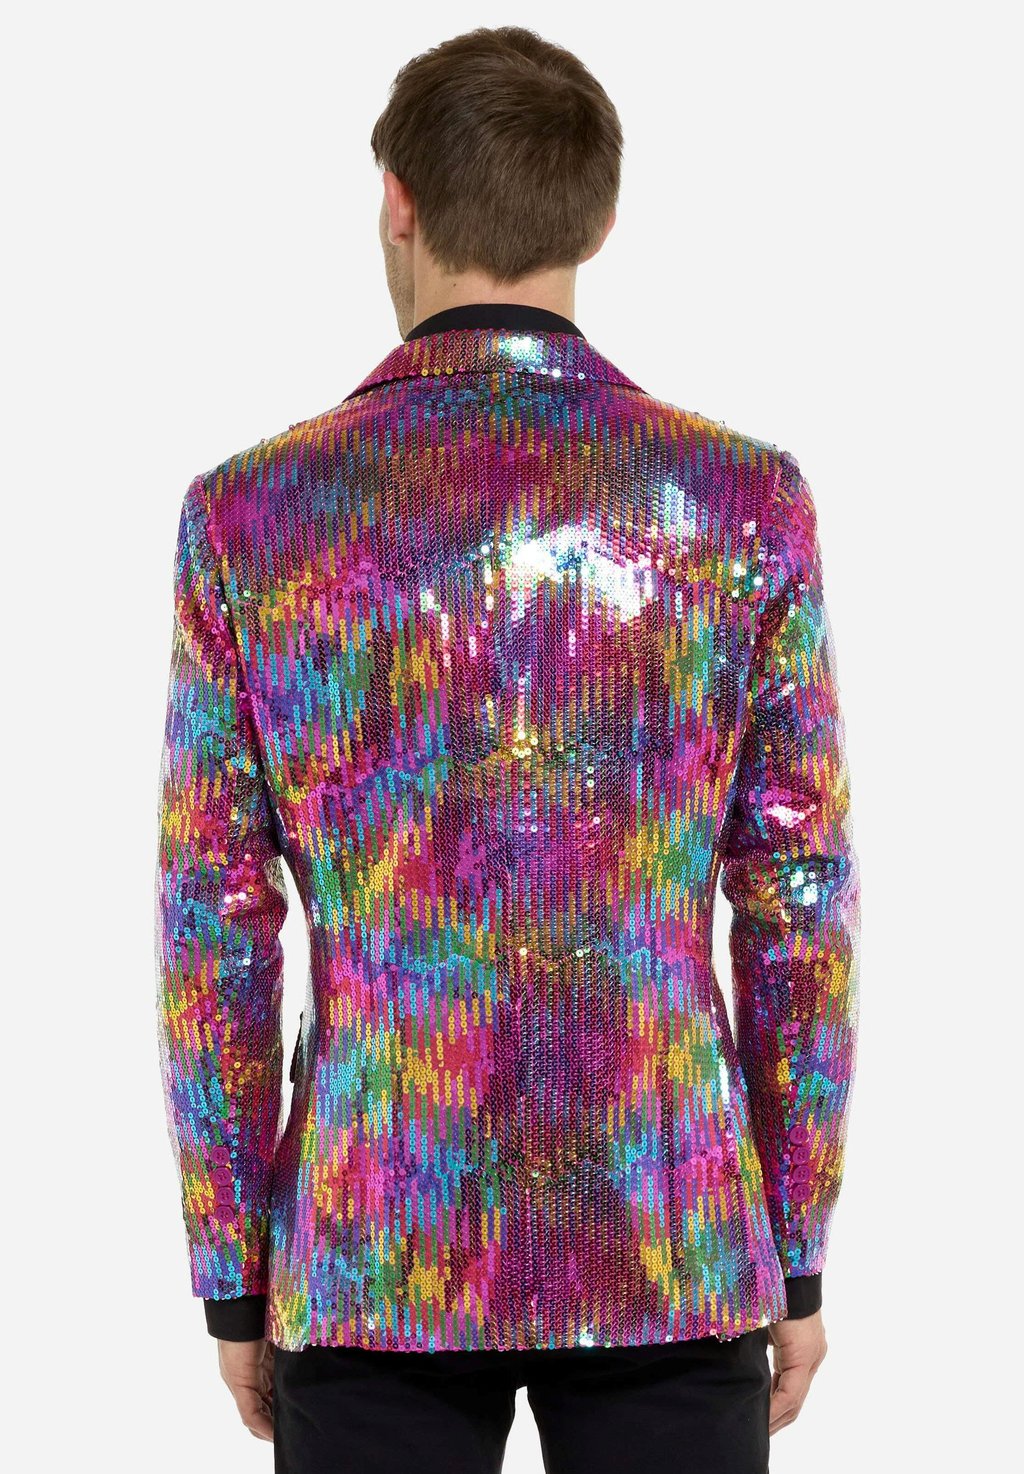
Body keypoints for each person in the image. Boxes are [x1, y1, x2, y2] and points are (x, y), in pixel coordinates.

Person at [154, 24, 860, 1474]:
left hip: (372, 1243)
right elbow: (799, 905)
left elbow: (213, 917)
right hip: (669, 1233)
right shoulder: (741, 502)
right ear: (600, 218)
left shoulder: (252, 516)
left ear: (397, 200)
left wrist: (234, 1262)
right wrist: (793, 1244)